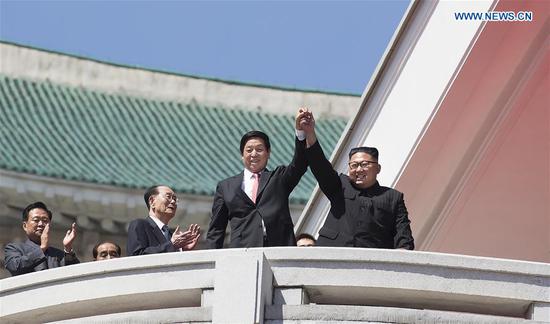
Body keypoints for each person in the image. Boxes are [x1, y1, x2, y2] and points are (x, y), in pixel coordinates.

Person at [300, 111, 414, 249]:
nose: (358, 170)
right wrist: (310, 133)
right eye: (354, 165)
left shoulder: (393, 198)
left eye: (364, 165)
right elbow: (320, 165)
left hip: (370, 261)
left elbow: (403, 236)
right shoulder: (340, 185)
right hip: (333, 254)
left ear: (378, 168)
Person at [206, 108, 311, 248]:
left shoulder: (279, 178)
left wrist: (301, 133)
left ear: (268, 153)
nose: (254, 154)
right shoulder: (226, 187)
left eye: (259, 149)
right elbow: (217, 229)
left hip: (278, 249)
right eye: (249, 150)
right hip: (242, 252)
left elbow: (300, 163)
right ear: (242, 155)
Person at [4, 201, 79, 276]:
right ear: (25, 226)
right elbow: (15, 267)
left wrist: (68, 248)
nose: (41, 224)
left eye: (45, 220)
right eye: (36, 220)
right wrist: (42, 249)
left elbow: (76, 273)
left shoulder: (58, 254)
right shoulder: (14, 249)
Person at [127, 185, 201, 255]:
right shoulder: (140, 225)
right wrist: (172, 245)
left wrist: (182, 249)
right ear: (152, 201)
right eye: (168, 197)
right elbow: (136, 255)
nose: (173, 202)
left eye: (175, 199)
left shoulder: (171, 236)